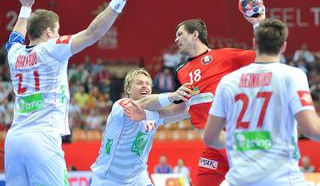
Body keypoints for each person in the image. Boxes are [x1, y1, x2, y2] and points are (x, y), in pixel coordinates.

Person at [5, 0, 135, 185]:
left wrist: (25, 8)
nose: (59, 34)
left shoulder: (14, 54)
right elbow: (93, 33)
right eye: (57, 30)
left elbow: (15, 38)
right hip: (43, 138)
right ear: (49, 31)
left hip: (14, 140)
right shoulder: (52, 48)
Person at [203, 18, 320, 185]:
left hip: (238, 180)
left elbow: (210, 138)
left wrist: (237, 139)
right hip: (282, 180)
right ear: (283, 46)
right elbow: (312, 130)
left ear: (254, 43)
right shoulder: (293, 75)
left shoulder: (228, 81)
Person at [174, 18, 257, 185]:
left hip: (234, 139)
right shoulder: (180, 72)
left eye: (179, 34)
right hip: (213, 145)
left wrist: (258, 23)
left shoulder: (224, 57)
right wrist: (149, 113)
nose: (176, 39)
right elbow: (182, 109)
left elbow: (262, 55)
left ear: (194, 35)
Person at [90, 68, 191, 185]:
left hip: (138, 179)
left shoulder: (154, 114)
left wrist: (193, 98)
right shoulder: (120, 106)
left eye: (148, 84)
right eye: (139, 83)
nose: (144, 86)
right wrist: (173, 95)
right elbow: (144, 103)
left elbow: (179, 111)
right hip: (108, 179)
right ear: (128, 89)